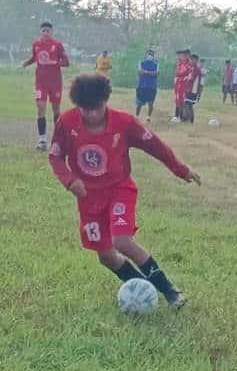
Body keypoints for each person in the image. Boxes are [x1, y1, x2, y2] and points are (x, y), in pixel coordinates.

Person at [48, 74, 202, 309]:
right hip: (88, 198)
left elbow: (157, 147)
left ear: (105, 100)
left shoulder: (124, 123)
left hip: (119, 189)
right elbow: (55, 155)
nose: (90, 114)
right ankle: (141, 289)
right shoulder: (67, 123)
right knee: (106, 256)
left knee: (122, 241)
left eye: (96, 108)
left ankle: (169, 290)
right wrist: (69, 180)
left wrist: (181, 170)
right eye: (84, 109)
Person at [22, 22, 70, 151]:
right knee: (40, 108)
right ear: (40, 32)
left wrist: (54, 62)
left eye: (48, 30)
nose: (46, 33)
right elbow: (34, 57)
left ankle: (59, 140)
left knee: (56, 110)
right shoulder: (36, 44)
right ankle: (42, 140)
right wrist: (27, 62)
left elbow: (66, 62)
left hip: (55, 83)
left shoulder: (57, 45)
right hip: (41, 82)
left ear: (51, 32)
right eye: (43, 30)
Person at [135, 49, 159, 123]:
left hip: (152, 87)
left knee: (151, 103)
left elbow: (156, 73)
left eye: (151, 54)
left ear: (153, 56)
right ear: (146, 55)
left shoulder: (156, 64)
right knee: (139, 103)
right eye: (149, 54)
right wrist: (150, 73)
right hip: (142, 86)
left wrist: (146, 72)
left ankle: (148, 117)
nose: (150, 56)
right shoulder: (141, 62)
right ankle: (137, 116)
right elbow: (140, 72)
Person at [172, 49, 191, 122]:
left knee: (185, 103)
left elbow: (182, 73)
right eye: (183, 55)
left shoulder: (189, 64)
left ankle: (186, 118)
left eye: (185, 55)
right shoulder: (180, 64)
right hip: (179, 85)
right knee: (178, 102)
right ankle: (179, 116)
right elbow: (177, 73)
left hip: (185, 86)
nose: (184, 56)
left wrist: (180, 74)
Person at [183, 54, 202, 123]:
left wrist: (186, 79)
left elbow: (191, 79)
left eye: (192, 60)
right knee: (189, 105)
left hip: (192, 90)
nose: (191, 61)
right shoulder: (192, 68)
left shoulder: (196, 69)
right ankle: (190, 120)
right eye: (191, 60)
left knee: (187, 105)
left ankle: (188, 119)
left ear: (196, 60)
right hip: (190, 89)